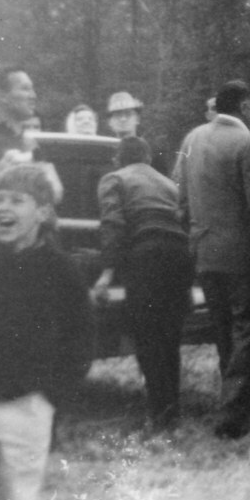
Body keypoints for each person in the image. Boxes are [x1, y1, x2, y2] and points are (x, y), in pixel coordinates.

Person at [0, 162, 92, 500]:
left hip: (31, 406)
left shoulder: (63, 271)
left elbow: (80, 338)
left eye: (17, 201)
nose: (4, 208)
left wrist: (52, 396)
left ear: (43, 212)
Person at [175, 79, 250, 439]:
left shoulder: (193, 138)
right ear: (247, 106)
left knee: (223, 329)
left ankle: (233, 398)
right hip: (244, 254)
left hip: (205, 252)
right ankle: (232, 415)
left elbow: (181, 199)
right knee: (249, 327)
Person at [91, 136, 193, 430]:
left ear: (117, 158)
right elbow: (185, 219)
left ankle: (159, 416)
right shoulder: (167, 183)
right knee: (170, 337)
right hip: (180, 256)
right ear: (147, 158)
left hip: (147, 256)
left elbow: (113, 224)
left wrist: (107, 273)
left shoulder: (114, 178)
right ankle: (170, 411)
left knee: (147, 336)